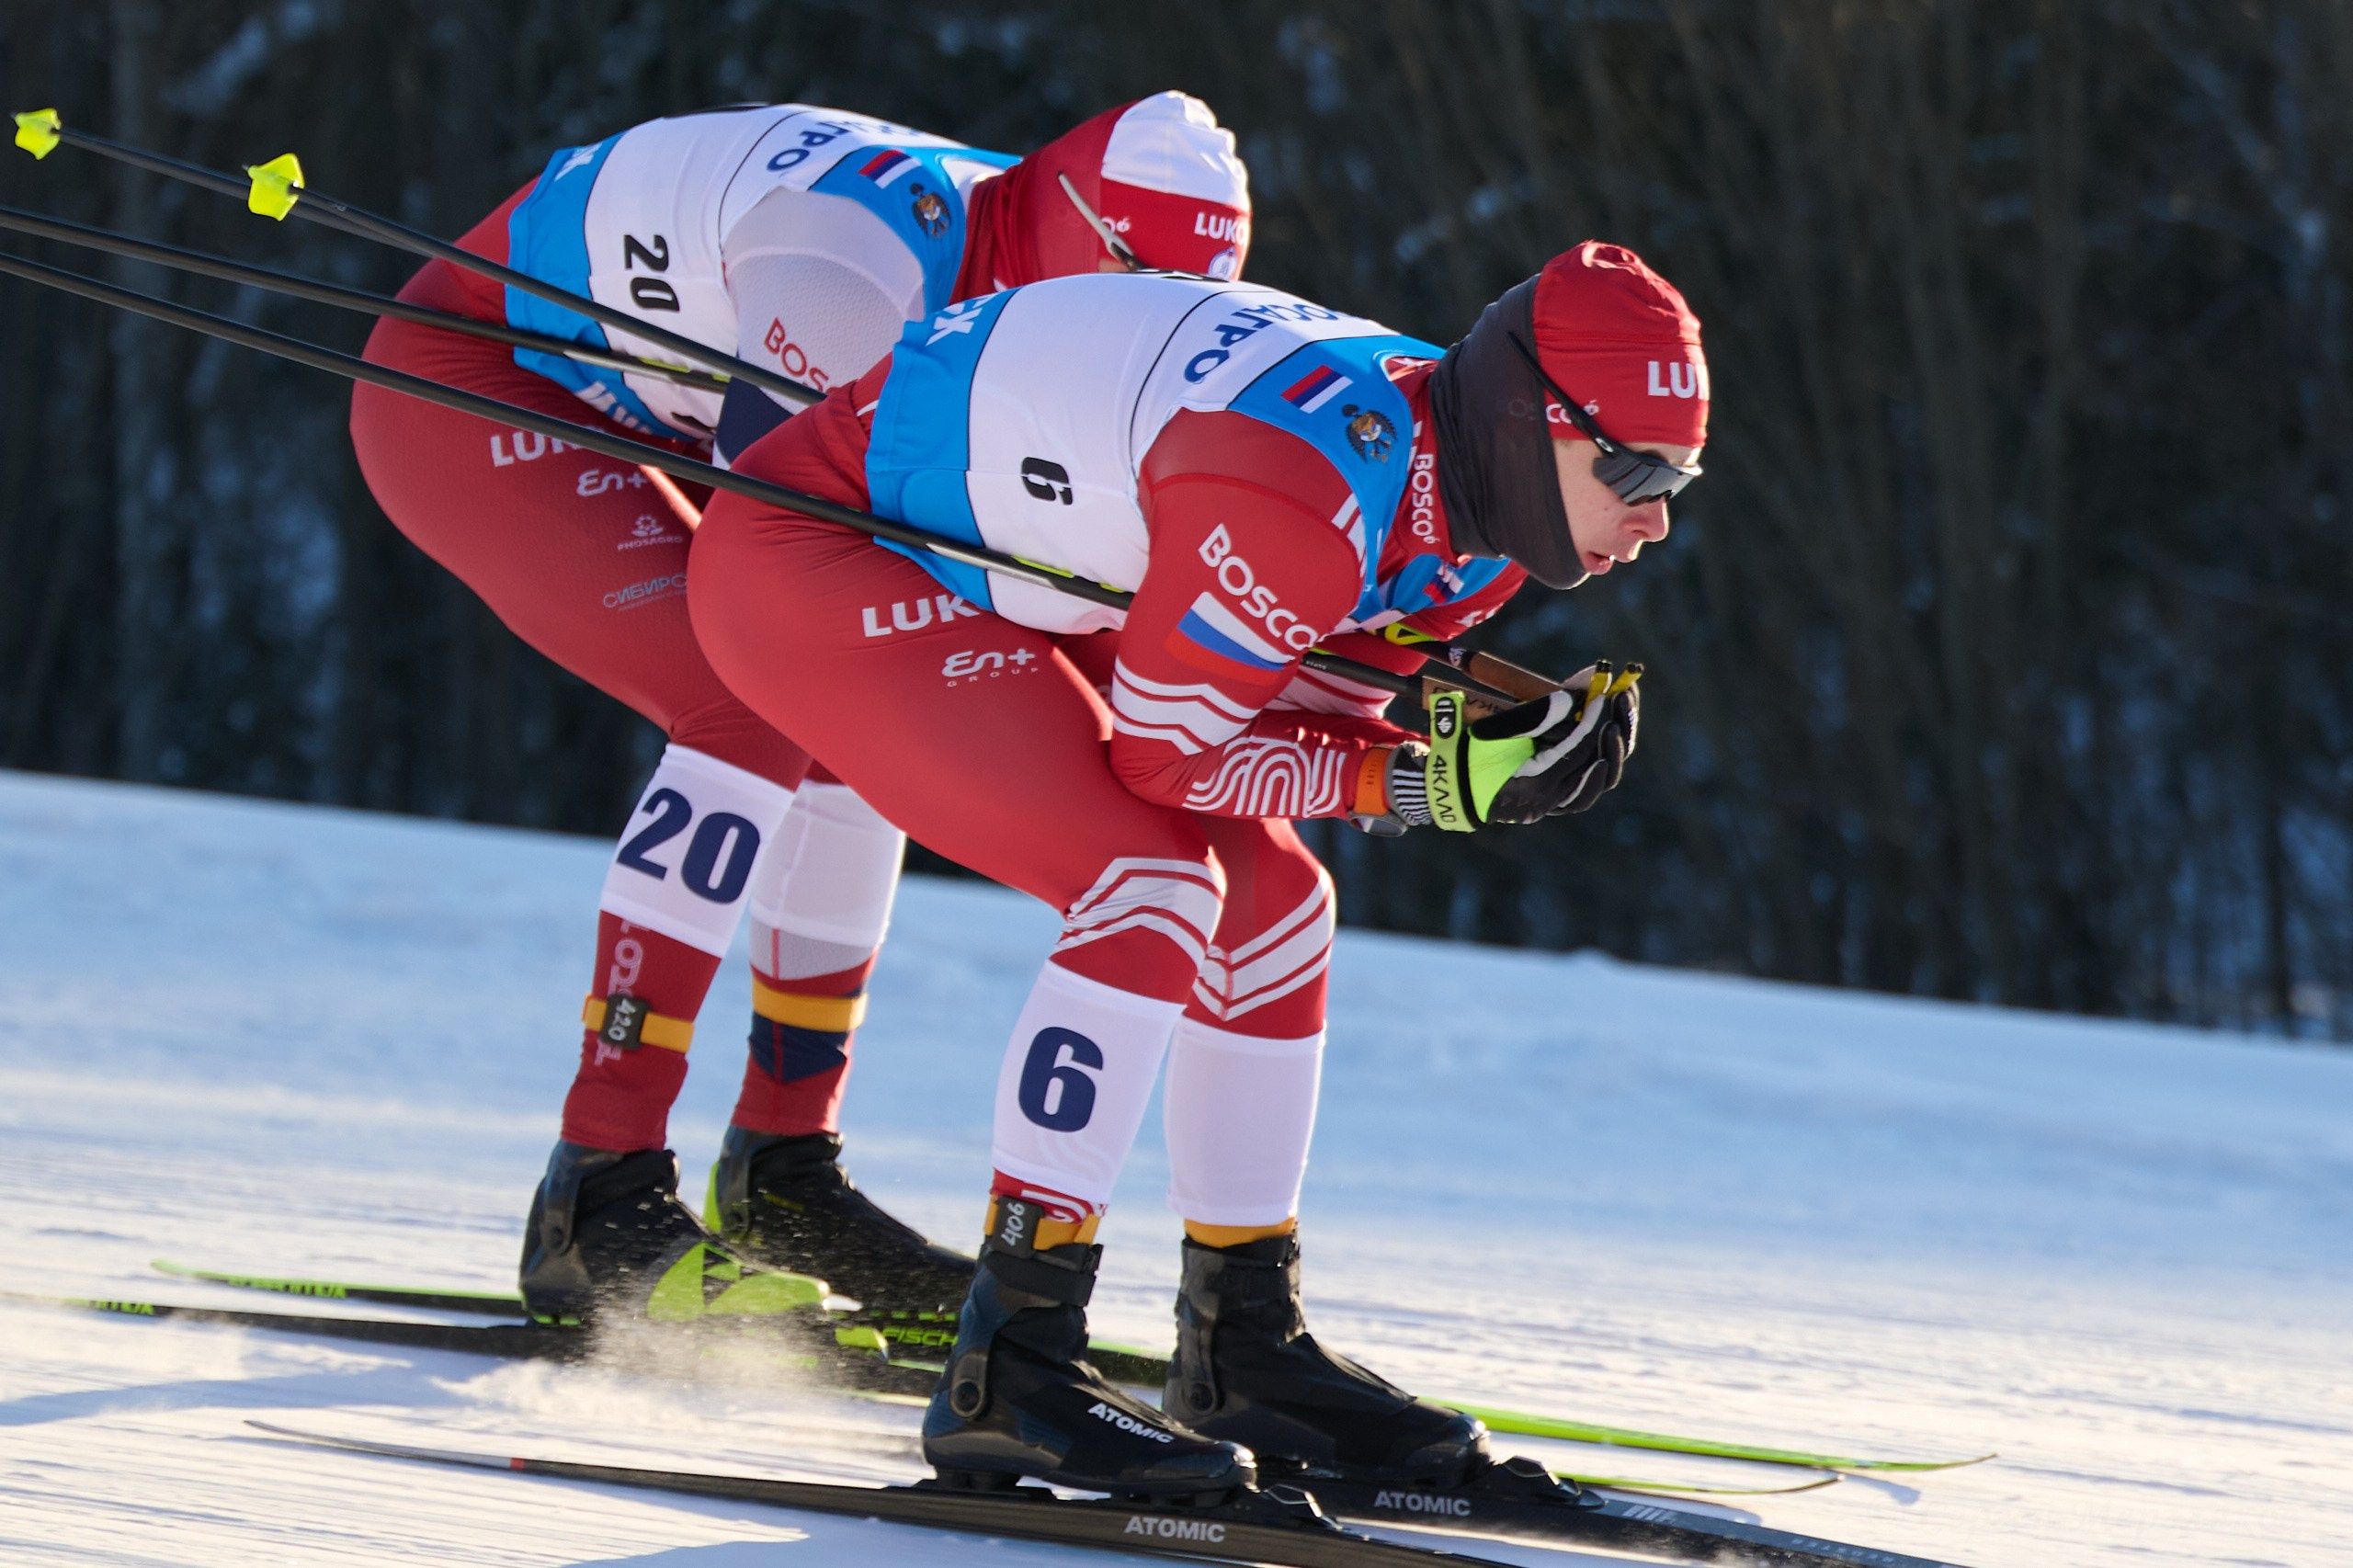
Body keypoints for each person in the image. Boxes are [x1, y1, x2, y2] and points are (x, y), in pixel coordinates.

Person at [687, 242, 1707, 1493]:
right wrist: (1428, 781)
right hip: (819, 558)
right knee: (1150, 883)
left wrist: (1455, 752)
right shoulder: (1305, 492)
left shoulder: (1480, 524)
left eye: (1680, 478)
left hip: (1000, 571)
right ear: (1529, 418)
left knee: (1278, 910)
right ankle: (1009, 1360)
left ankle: (1244, 1344)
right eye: (1635, 468)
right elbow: (1173, 762)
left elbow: (1301, 714)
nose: (1656, 518)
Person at [345, 95, 1253, 1328]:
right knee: (758, 682)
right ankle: (596, 1195)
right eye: (1133, 285)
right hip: (473, 384)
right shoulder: (855, 257)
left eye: (1184, 319)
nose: (1135, 337)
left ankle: (783, 1170)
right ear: (1071, 217)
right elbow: (767, 553)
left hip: (645, 404)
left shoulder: (1059, 263)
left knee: (849, 700)